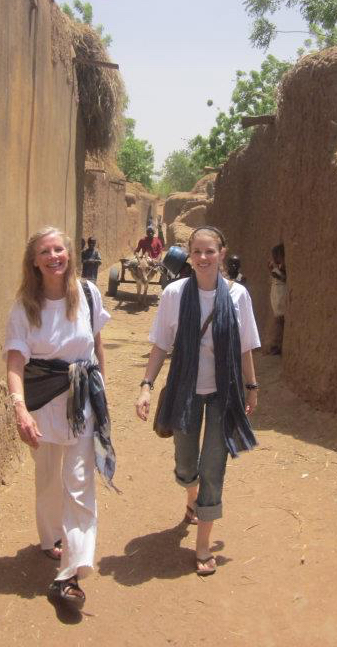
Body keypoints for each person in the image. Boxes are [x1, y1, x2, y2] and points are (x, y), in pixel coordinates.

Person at [135, 226, 260, 576]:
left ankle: (203, 543)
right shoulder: (175, 294)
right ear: (189, 255)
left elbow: (245, 345)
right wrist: (146, 384)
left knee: (213, 468)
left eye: (210, 251)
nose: (203, 258)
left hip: (225, 391)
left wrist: (252, 386)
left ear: (222, 252)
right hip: (185, 390)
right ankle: (191, 498)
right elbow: (161, 343)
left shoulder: (238, 296)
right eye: (197, 252)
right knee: (187, 464)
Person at [4, 226, 115, 610]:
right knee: (48, 479)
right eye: (46, 251)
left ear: (68, 254)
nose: (55, 256)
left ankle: (71, 572)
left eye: (60, 250)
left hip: (83, 400)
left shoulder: (87, 293)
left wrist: (103, 389)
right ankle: (50, 538)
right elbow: (15, 360)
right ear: (34, 261)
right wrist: (19, 409)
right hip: (42, 404)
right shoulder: (24, 307)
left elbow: (97, 342)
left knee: (80, 484)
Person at [268, 243, 286, 355]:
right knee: (279, 320)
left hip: (280, 294)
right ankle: (275, 346)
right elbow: (280, 276)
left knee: (280, 321)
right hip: (278, 294)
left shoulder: (279, 267)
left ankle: (276, 345)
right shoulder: (277, 267)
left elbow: (282, 277)